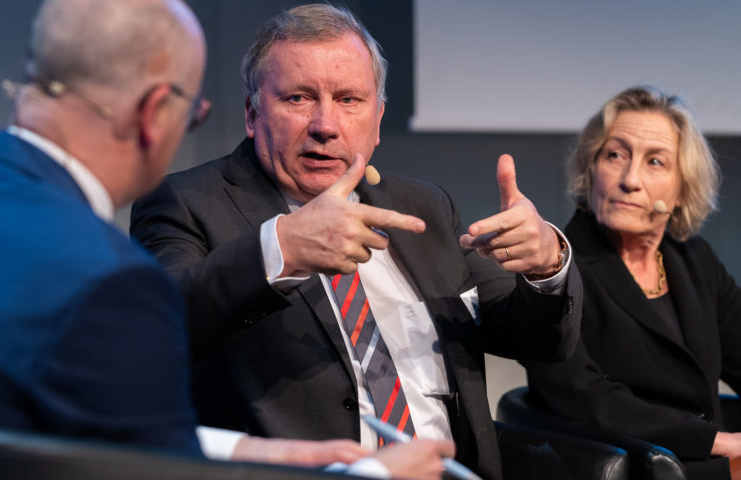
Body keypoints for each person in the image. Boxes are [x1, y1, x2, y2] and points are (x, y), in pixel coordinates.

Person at [0, 1, 454, 478]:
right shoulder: (101, 277)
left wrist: (274, 453)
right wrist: (369, 473)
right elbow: (149, 470)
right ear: (154, 113)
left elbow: (104, 425)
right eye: (193, 113)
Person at [130, 4, 582, 479]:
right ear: (251, 111)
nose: (325, 125)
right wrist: (280, 248)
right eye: (299, 98)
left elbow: (539, 343)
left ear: (378, 119)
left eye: (349, 100)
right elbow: (156, 330)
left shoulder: (422, 206)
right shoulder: (188, 202)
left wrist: (546, 266)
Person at [523, 85, 741, 480]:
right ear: (590, 171)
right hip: (644, 468)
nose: (630, 180)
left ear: (681, 190)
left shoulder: (695, 260)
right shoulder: (555, 270)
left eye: (655, 162)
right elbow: (582, 395)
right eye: (615, 155)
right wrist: (717, 442)